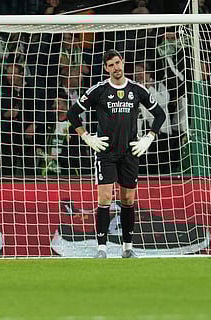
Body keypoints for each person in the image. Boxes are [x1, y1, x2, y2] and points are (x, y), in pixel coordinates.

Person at [66, 49, 166, 258]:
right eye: (111, 65)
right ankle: (101, 249)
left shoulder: (137, 90)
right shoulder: (99, 90)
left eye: (117, 63)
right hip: (106, 152)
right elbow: (72, 113)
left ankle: (127, 248)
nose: (116, 68)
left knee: (128, 199)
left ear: (123, 62)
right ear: (106, 68)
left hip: (130, 152)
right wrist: (86, 137)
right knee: (104, 198)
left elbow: (160, 114)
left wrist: (148, 138)